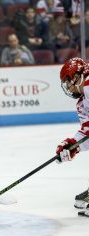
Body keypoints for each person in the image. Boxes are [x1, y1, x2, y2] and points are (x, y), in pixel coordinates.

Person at [57, 57, 89, 217]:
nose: (68, 87)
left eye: (67, 81)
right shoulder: (82, 103)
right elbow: (87, 132)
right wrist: (71, 145)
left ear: (76, 76)